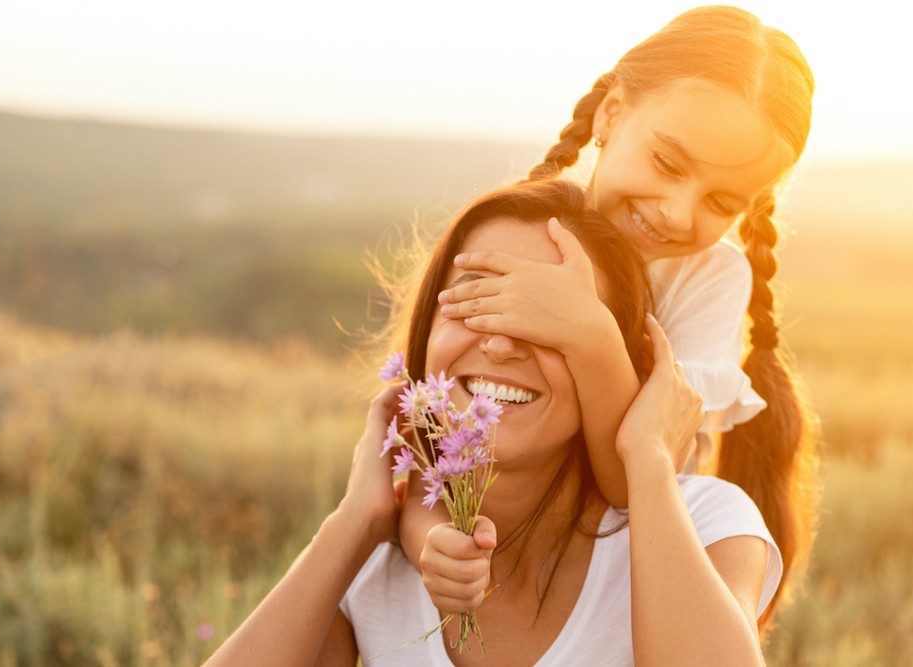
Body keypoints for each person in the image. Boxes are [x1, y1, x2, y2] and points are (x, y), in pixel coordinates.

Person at [203, 179, 781, 666]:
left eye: (553, 320)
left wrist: (650, 457)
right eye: (475, 300)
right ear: (427, 332)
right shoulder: (373, 575)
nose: (502, 343)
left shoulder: (705, 527)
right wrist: (355, 521)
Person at [404, 5, 819, 625]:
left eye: (721, 201)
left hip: (621, 581)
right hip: (497, 555)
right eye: (668, 165)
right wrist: (428, 544)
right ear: (611, 114)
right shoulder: (517, 234)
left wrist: (591, 335)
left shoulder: (706, 282)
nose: (677, 212)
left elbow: (632, 485)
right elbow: (430, 441)